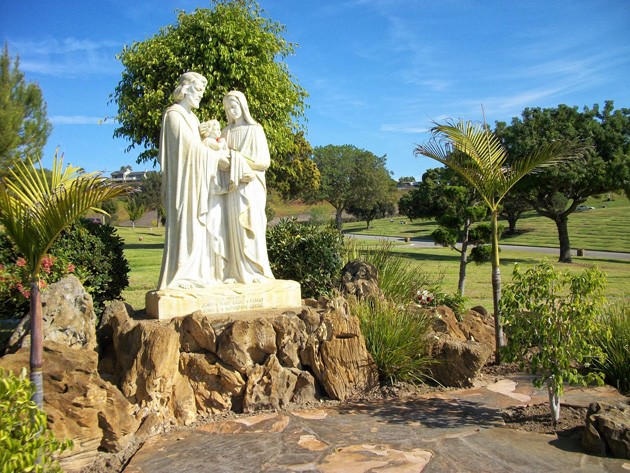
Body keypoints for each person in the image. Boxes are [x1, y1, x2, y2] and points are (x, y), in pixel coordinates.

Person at [157, 72, 231, 290]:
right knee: (187, 229)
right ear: (186, 88)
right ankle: (183, 274)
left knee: (201, 231)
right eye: (198, 90)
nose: (201, 95)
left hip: (198, 184)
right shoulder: (174, 115)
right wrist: (216, 155)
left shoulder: (192, 118)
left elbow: (199, 147)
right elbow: (190, 151)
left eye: (202, 91)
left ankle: (199, 273)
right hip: (184, 186)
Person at [221, 90, 274, 283]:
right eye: (227, 108)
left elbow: (264, 162)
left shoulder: (255, 130)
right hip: (233, 187)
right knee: (233, 227)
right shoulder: (225, 132)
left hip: (252, 186)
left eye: (234, 106)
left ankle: (257, 270)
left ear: (243, 107)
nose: (231, 111)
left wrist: (238, 159)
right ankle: (235, 271)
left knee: (253, 225)